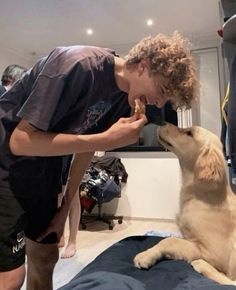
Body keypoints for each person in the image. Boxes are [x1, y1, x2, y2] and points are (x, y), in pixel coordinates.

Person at [0, 31, 197, 290]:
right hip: (7, 164)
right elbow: (20, 141)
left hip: (45, 167)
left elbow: (85, 150)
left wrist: (64, 209)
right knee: (12, 277)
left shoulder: (123, 99)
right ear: (144, 65)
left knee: (46, 257)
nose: (159, 102)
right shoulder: (77, 64)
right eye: (161, 90)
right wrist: (104, 140)